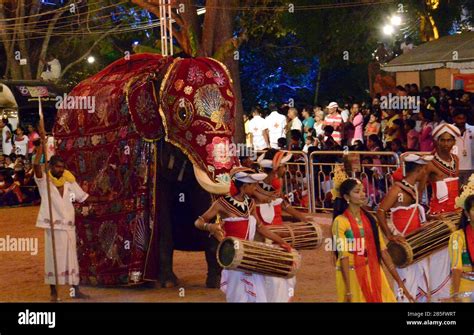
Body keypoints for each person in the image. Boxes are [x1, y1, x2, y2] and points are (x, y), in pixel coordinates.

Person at [194, 167, 293, 302]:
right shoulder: (222, 203)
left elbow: (261, 228)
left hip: (249, 253)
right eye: (253, 185)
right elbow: (198, 221)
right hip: (232, 255)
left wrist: (281, 242)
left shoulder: (250, 203)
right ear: (244, 186)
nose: (255, 188)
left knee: (257, 293)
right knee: (238, 295)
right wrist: (210, 226)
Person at [33, 123, 96, 301]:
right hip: (52, 227)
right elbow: (37, 166)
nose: (60, 170)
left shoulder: (69, 181)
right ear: (51, 166)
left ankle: (75, 290)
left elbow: (83, 197)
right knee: (53, 258)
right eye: (57, 167)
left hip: (68, 226)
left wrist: (106, 198)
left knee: (71, 259)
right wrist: (41, 147)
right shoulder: (44, 181)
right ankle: (53, 292)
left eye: (62, 167)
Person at [331, 169, 414, 302]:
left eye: (363, 190)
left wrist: (400, 283)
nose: (363, 194)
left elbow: (383, 252)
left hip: (374, 272)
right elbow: (343, 256)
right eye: (357, 192)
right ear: (347, 197)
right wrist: (348, 290)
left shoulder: (370, 220)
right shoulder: (340, 222)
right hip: (352, 276)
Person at [376, 154, 433, 301]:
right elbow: (380, 211)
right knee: (406, 280)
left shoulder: (411, 187)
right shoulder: (397, 189)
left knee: (420, 279)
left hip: (415, 242)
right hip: (403, 244)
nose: (426, 172)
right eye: (424, 169)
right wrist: (389, 236)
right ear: (419, 169)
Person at [418, 123, 461, 301]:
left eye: (449, 140)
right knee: (439, 259)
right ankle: (437, 297)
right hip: (439, 218)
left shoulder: (456, 160)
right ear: (436, 141)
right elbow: (418, 193)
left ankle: (453, 293)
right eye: (442, 140)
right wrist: (425, 214)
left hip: (457, 215)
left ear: (454, 141)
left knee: (456, 256)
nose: (446, 143)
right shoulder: (429, 164)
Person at [449, 181, 474, 300]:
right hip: (465, 289)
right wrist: (456, 295)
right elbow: (456, 267)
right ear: (467, 213)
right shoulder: (457, 237)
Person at [452, 109, 474, 188]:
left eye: (463, 118)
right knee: (455, 194)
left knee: (468, 194)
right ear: (454, 119)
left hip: (470, 167)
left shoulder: (472, 129)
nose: (462, 120)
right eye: (459, 118)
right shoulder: (450, 130)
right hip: (454, 168)